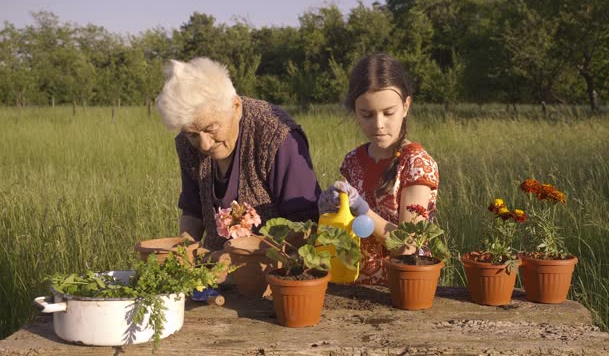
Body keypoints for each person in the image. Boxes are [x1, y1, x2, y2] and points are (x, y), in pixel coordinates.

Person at [156, 57, 321, 251]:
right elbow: (193, 210)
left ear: (235, 106)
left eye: (211, 128)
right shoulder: (187, 143)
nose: (205, 144)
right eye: (193, 135)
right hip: (216, 265)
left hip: (277, 266)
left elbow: (306, 223)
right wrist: (184, 253)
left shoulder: (276, 136)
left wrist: (243, 258)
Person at [318, 53, 439, 286]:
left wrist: (362, 211)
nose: (378, 124)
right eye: (367, 115)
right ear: (355, 110)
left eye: (388, 113)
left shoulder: (415, 164)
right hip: (352, 282)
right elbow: (347, 228)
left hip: (402, 286)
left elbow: (408, 244)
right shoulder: (353, 160)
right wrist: (329, 211)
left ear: (406, 106)